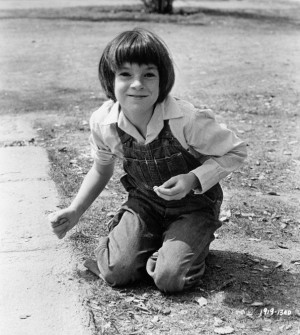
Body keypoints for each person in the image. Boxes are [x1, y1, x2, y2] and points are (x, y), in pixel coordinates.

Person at [48, 28, 247, 293]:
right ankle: (139, 243)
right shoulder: (103, 122)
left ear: (162, 80)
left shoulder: (186, 119)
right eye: (126, 74)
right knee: (116, 271)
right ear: (111, 79)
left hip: (194, 207)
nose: (137, 84)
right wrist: (74, 211)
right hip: (145, 205)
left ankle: (176, 249)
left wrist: (192, 179)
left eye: (148, 75)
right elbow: (101, 168)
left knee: (170, 278)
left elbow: (236, 151)